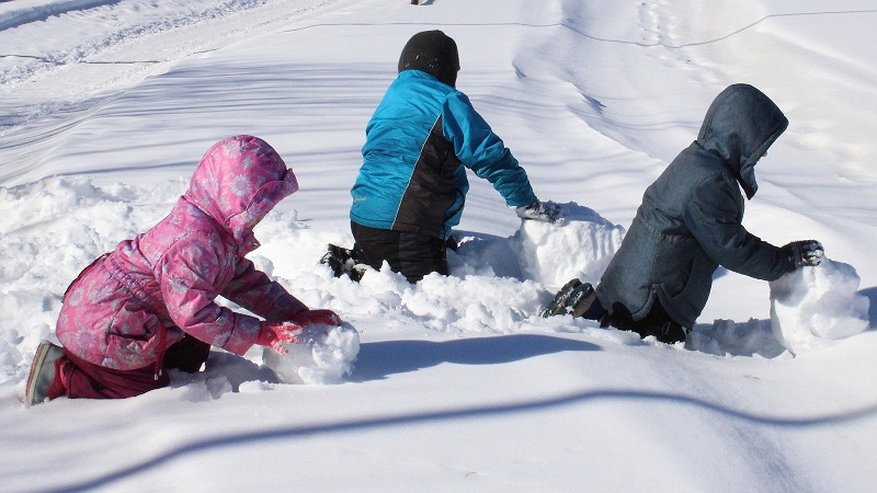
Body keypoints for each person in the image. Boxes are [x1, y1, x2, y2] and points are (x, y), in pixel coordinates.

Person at [24, 135, 341, 406]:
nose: (261, 218)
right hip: (101, 326)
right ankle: (62, 375)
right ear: (232, 201)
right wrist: (262, 334)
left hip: (124, 318)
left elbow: (245, 283)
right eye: (257, 209)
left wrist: (295, 314)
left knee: (193, 351)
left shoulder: (214, 233)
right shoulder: (195, 243)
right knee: (142, 386)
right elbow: (192, 314)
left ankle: (142, 363)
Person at [541, 83, 823, 343]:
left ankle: (589, 312)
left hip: (629, 290)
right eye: (760, 144)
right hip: (649, 307)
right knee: (627, 342)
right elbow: (730, 247)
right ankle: (585, 319)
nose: (762, 154)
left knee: (615, 322)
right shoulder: (709, 183)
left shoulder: (698, 161)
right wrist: (786, 259)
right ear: (741, 135)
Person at [342, 29, 557, 283]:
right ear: (447, 69)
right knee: (427, 309)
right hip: (406, 229)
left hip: (362, 220)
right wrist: (527, 202)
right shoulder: (446, 101)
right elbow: (491, 156)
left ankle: (350, 266)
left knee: (384, 284)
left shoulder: (392, 99)